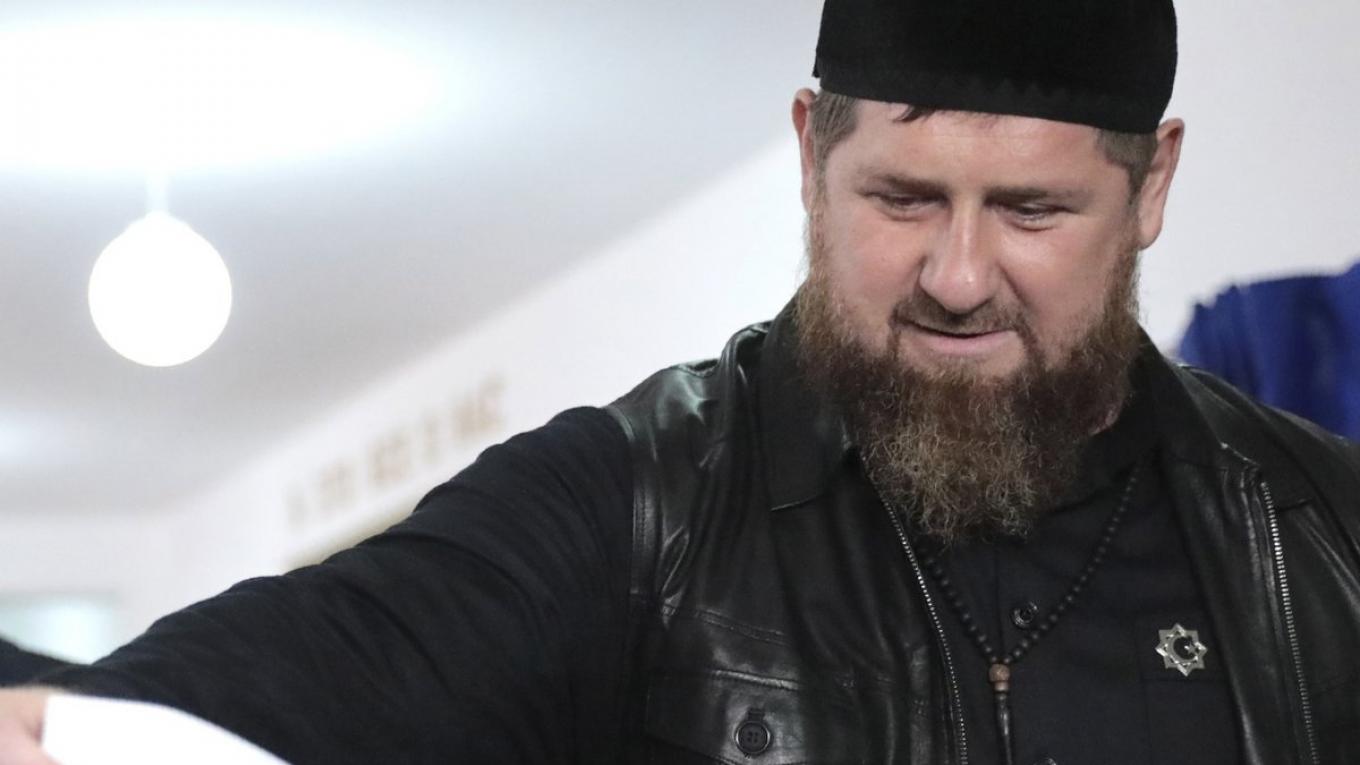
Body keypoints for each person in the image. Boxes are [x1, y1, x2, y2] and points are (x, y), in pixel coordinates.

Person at [4, 0, 1360, 762]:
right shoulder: (635, 509)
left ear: (1151, 185)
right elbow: (238, 694)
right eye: (900, 197)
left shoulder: (1326, 540)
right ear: (808, 157)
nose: (957, 275)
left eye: (1031, 210)